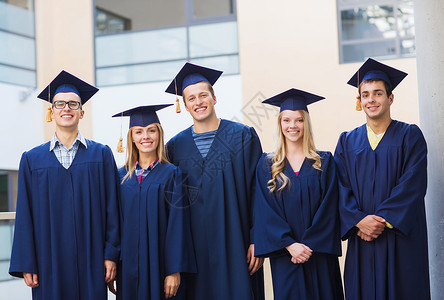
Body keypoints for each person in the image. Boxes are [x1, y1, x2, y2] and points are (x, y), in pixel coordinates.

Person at [9, 70, 121, 300]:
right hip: (48, 260)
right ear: (51, 112)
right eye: (60, 104)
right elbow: (24, 216)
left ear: (82, 111)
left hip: (93, 259)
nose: (66, 108)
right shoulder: (32, 159)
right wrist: (27, 262)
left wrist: (111, 255)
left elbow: (114, 209)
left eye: (73, 103)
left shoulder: (101, 154)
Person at [165, 62, 265, 300]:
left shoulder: (243, 137)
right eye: (191, 98)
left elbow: (258, 193)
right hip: (194, 250)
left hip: (237, 244)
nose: (198, 102)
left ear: (214, 98)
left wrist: (257, 240)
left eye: (203, 95)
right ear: (185, 105)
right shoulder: (174, 147)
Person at [334, 58, 430, 299]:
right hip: (362, 241)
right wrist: (359, 220)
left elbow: (413, 185)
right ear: (360, 101)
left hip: (400, 241)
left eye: (378, 93)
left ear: (390, 98)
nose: (371, 100)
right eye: (365, 95)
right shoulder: (347, 142)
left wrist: (381, 220)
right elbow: (339, 188)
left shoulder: (410, 136)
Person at [254, 88, 343, 300]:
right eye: (286, 120)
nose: (292, 126)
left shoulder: (324, 162)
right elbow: (264, 211)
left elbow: (330, 207)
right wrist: (290, 245)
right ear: (280, 124)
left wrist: (309, 245)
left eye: (299, 120)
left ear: (306, 123)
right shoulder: (268, 165)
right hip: (286, 256)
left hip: (319, 254)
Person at [111, 104, 196, 300]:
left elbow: (179, 226)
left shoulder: (174, 174)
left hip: (161, 267)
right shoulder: (120, 177)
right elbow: (113, 224)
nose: (145, 137)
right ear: (131, 137)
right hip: (129, 268)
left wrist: (174, 270)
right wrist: (113, 262)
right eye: (139, 132)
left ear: (159, 134)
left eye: (151, 130)